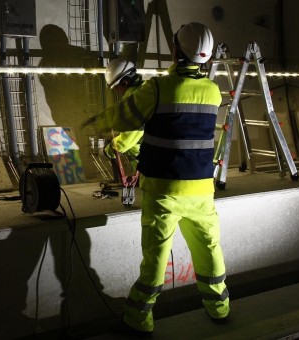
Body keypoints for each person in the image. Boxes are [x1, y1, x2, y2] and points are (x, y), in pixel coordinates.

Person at [86, 22, 229, 336]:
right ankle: (220, 308)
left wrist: (92, 126)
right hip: (202, 190)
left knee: (155, 256)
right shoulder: (214, 91)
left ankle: (139, 318)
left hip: (164, 189)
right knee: (208, 249)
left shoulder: (159, 88)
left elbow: (124, 118)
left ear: (175, 50)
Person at [102, 58, 144, 171]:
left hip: (154, 165)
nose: (117, 91)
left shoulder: (134, 100)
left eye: (116, 87)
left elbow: (126, 141)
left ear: (125, 82)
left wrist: (108, 151)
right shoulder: (148, 90)